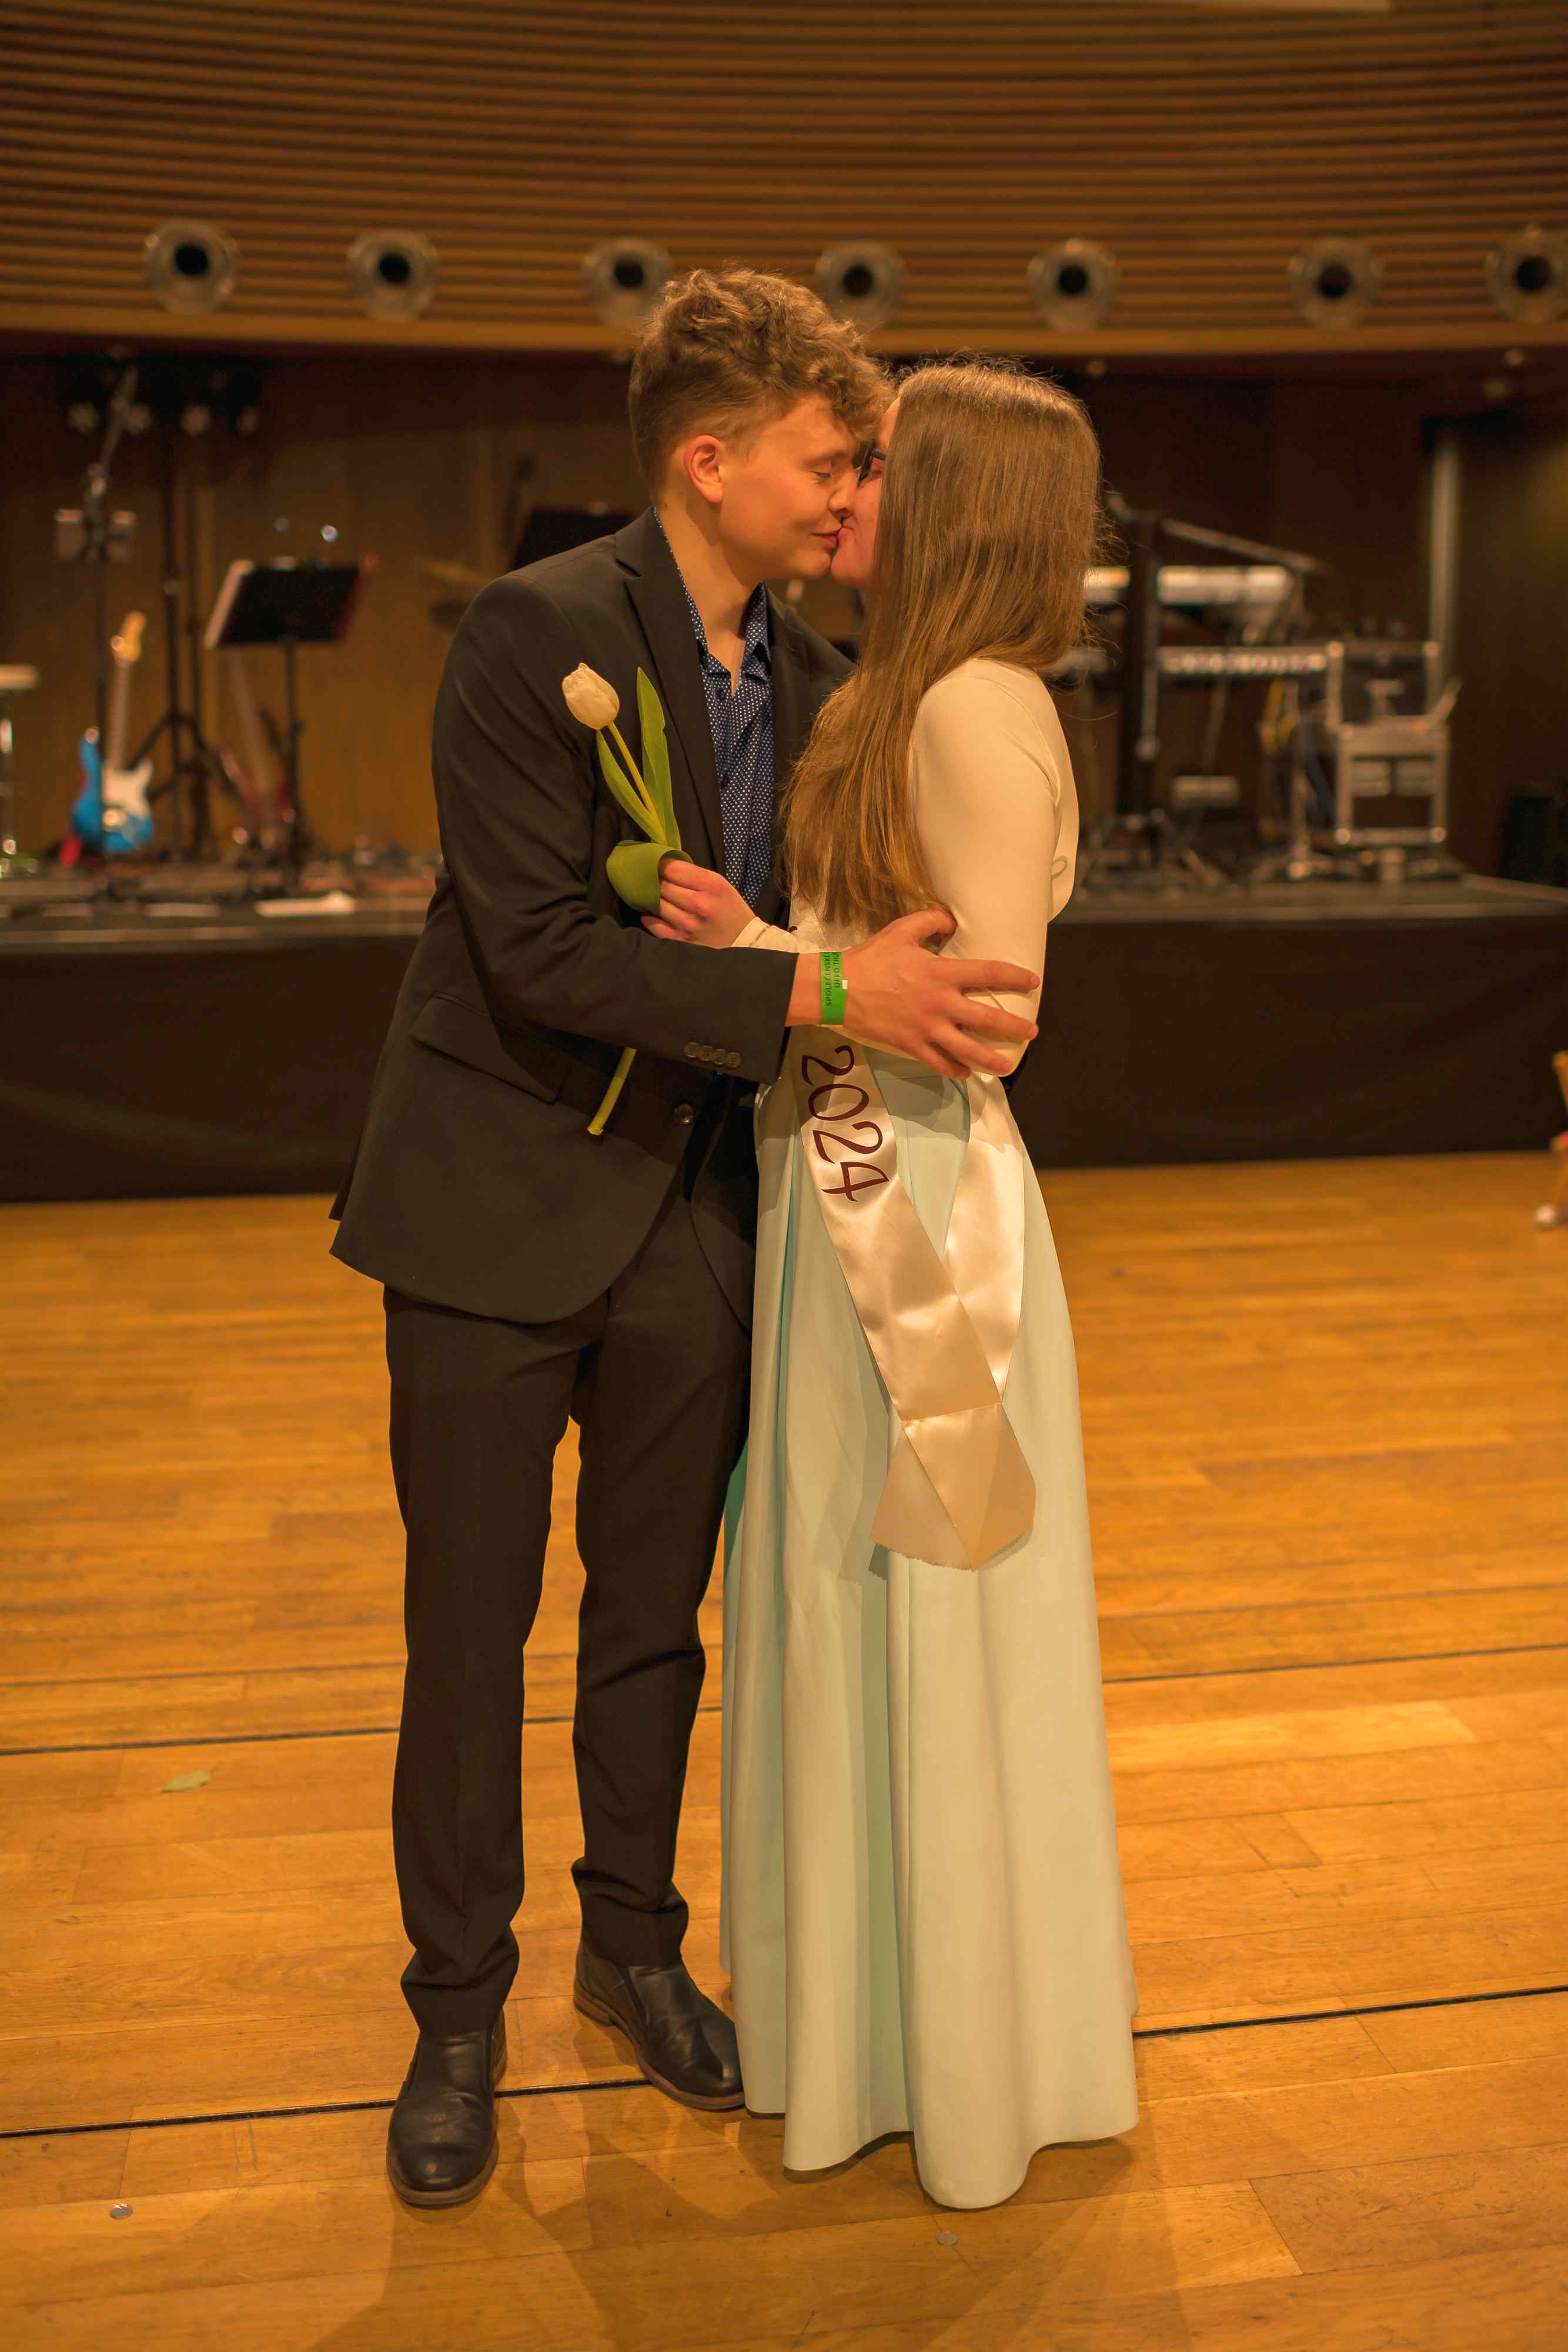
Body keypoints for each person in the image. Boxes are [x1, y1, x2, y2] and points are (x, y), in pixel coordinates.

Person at [329, 275, 1045, 2208]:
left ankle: (631, 1949)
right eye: (830, 462)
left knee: (655, 1621)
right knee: (467, 1636)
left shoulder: (817, 680)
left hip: (700, 1215)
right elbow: (537, 953)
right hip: (488, 1206)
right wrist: (828, 989)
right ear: (707, 461)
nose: (853, 497)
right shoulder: (537, 630)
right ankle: (454, 2014)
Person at [644, 359, 1141, 2210]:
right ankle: (870, 2031)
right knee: (848, 1603)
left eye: (883, 472)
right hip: (850, 1187)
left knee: (918, 1609)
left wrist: (761, 949)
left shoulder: (969, 710)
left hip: (916, 1218)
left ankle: (952, 2054)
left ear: (956, 510)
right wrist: (780, 953)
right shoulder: (897, 696)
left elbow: (986, 1018)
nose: (846, 496)